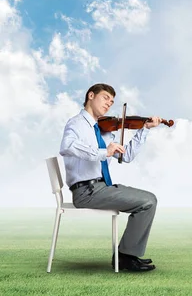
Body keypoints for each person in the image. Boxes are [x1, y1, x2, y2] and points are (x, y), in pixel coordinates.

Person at [59, 83, 161, 272]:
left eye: (112, 101)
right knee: (148, 201)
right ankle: (125, 257)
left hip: (101, 187)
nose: (109, 104)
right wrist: (103, 152)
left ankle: (126, 255)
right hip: (86, 190)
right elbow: (67, 146)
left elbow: (127, 155)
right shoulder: (76, 124)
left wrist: (144, 129)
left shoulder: (104, 130)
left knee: (149, 200)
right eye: (105, 98)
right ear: (91, 95)